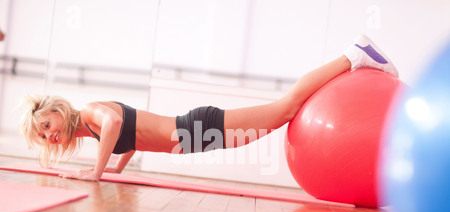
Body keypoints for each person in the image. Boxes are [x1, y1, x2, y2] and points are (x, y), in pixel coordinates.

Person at [18, 34, 398, 181]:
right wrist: (116, 166)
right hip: (197, 137)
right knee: (284, 113)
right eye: (44, 135)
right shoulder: (92, 130)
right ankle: (352, 60)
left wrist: (97, 173)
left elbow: (117, 121)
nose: (50, 133)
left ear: (57, 109)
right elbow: (130, 136)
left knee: (285, 109)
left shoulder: (89, 113)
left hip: (195, 128)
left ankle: (354, 55)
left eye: (46, 123)